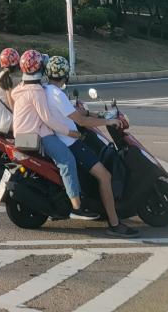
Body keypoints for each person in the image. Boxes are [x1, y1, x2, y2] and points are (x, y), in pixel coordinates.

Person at [43, 55, 139, 238]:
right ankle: (114, 224)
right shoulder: (57, 94)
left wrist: (97, 114)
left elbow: (75, 112)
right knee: (105, 176)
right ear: (65, 76)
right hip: (71, 143)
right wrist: (109, 122)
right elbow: (81, 121)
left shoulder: (47, 90)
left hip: (65, 139)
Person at [11, 49, 99, 220]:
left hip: (21, 134)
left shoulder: (20, 88)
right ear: (40, 69)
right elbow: (48, 120)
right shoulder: (37, 91)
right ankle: (76, 207)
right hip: (37, 134)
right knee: (67, 161)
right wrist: (70, 132)